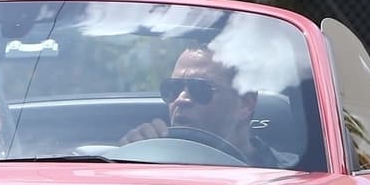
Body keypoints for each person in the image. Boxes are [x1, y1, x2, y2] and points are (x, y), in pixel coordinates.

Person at [122, 44, 287, 167]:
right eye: (172, 88)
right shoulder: (145, 157)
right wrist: (132, 156)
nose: (181, 99)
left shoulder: (284, 176)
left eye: (200, 89)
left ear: (245, 104)